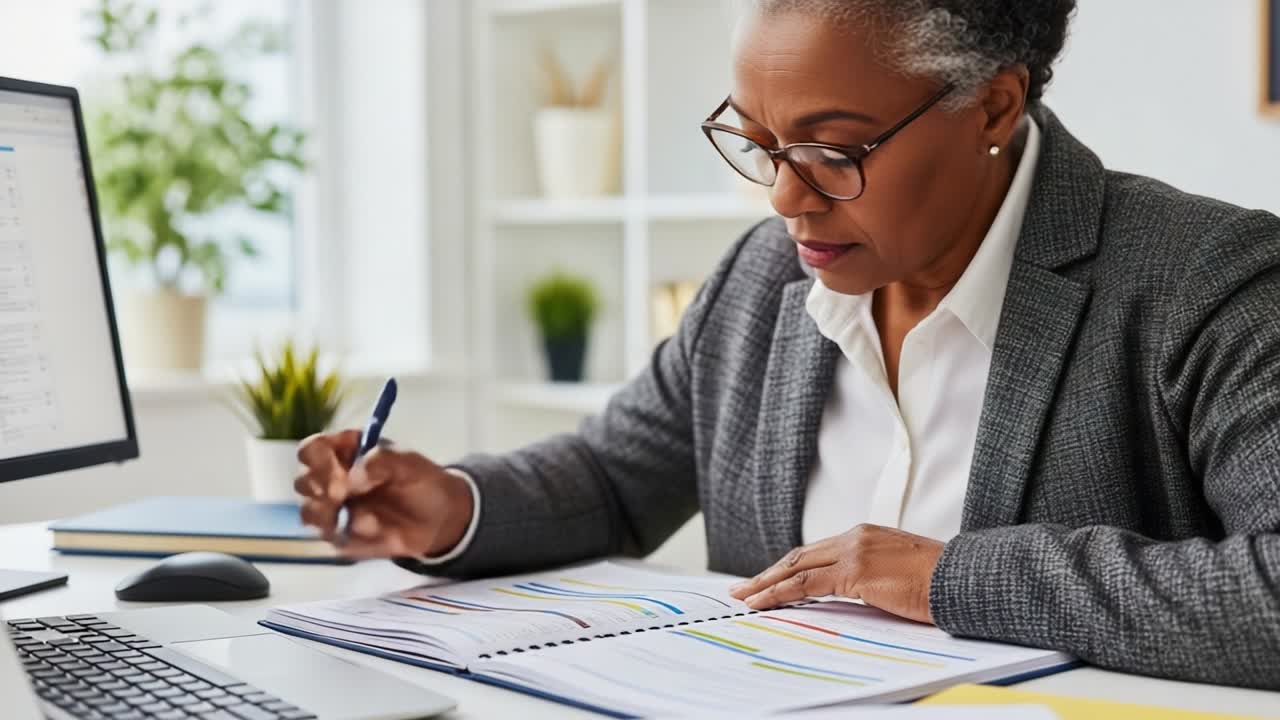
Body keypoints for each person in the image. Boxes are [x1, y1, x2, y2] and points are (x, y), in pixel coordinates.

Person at [296, 0, 1280, 690]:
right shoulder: (760, 281)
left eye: (831, 148)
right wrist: (452, 508)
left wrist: (947, 577)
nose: (782, 196)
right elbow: (610, 480)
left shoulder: (1206, 283)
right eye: (758, 140)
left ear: (991, 103)